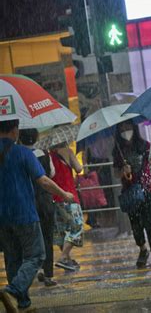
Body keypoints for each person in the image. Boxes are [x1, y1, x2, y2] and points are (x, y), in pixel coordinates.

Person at [0, 120, 74, 311]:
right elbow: (43, 180)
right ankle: (13, 290)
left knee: (13, 258)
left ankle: (22, 303)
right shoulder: (23, 153)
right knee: (36, 254)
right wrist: (64, 194)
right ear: (15, 130)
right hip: (23, 213)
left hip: (2, 217)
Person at [113, 120, 151, 269]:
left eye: (127, 126)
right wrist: (123, 171)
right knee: (136, 225)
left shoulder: (145, 146)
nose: (125, 130)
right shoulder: (117, 150)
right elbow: (116, 173)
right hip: (130, 192)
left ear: (134, 127)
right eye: (121, 127)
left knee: (149, 223)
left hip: (147, 191)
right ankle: (143, 250)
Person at [19, 129, 58, 287]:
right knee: (47, 238)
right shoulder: (44, 153)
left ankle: (36, 270)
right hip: (45, 200)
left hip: (28, 201)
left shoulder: (18, 154)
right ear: (35, 138)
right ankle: (48, 273)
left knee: (31, 239)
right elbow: (52, 174)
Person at [50, 141, 85, 271]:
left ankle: (67, 260)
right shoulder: (68, 151)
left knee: (62, 231)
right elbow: (79, 168)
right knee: (77, 227)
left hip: (55, 198)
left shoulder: (49, 155)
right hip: (69, 197)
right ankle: (64, 257)